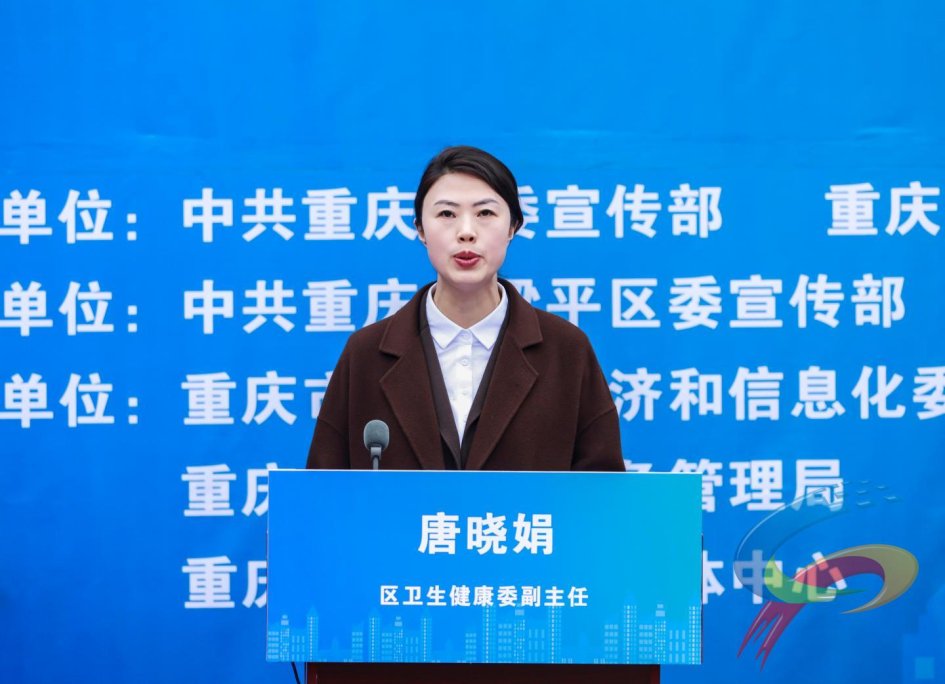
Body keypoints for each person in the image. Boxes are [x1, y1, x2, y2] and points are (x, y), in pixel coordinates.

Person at [307, 145, 623, 472]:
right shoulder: (366, 355)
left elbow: (602, 491)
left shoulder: (567, 351)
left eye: (485, 213)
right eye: (447, 214)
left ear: (513, 226)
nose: (467, 232)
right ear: (420, 230)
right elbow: (323, 488)